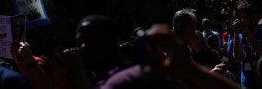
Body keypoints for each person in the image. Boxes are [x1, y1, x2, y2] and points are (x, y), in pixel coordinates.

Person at [98, 24, 240, 89]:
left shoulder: (173, 65)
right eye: (142, 46)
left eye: (154, 44)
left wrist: (191, 71)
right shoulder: (125, 79)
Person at [227, 4, 262, 89]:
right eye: (238, 20)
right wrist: (236, 33)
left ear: (253, 17)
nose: (241, 22)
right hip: (248, 84)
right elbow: (238, 57)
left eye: (244, 18)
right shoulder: (238, 37)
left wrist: (248, 33)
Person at [75, 14, 129, 87]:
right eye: (80, 42)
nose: (83, 46)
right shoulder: (90, 82)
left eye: (90, 39)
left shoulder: (130, 78)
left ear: (111, 40)